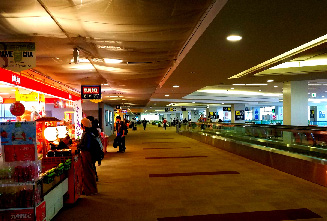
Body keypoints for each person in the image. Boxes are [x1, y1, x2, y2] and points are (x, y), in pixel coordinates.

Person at [78, 118, 98, 195]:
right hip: (89, 154)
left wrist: (79, 145)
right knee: (89, 171)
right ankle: (91, 189)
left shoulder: (87, 134)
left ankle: (90, 190)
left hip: (87, 154)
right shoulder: (90, 133)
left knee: (87, 173)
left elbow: (87, 146)